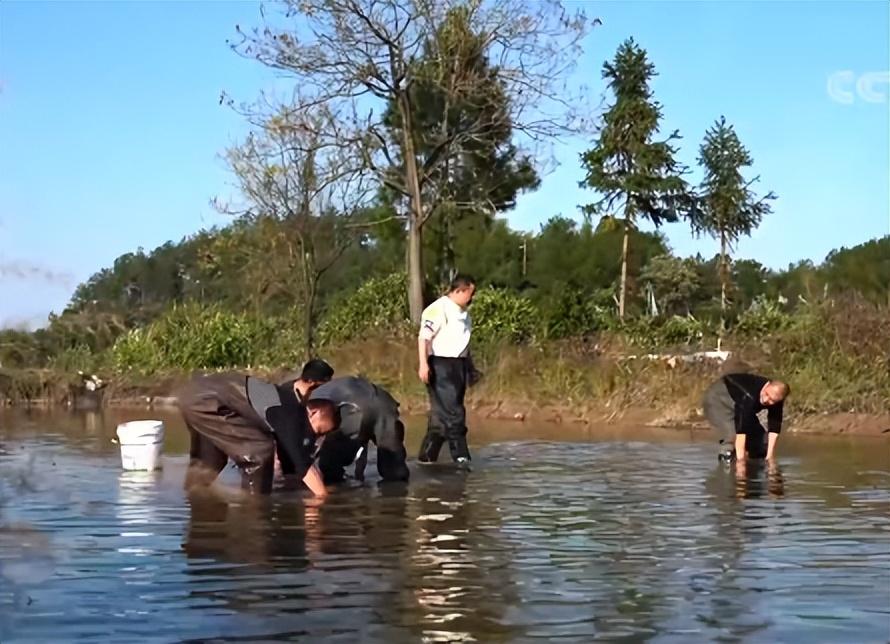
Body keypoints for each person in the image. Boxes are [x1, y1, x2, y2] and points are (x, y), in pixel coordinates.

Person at [175, 359, 338, 497]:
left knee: (210, 460)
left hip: (194, 393)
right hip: (208, 400)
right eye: (320, 431)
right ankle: (254, 511)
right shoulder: (288, 406)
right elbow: (300, 461)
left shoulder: (286, 392)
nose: (317, 437)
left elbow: (289, 457)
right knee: (259, 452)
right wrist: (322, 497)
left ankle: (194, 499)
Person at [417, 274, 479, 467]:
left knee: (441, 418)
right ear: (460, 290)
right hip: (440, 365)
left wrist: (470, 369)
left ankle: (426, 458)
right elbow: (424, 338)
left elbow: (463, 344)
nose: (472, 298)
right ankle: (461, 458)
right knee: (454, 414)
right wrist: (423, 364)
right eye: (471, 293)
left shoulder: (465, 314)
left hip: (458, 365)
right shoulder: (438, 309)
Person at [309, 376, 410, 483]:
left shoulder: (310, 401)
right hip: (385, 404)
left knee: (329, 466)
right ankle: (397, 492)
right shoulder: (329, 390)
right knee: (395, 469)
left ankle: (335, 493)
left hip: (359, 409)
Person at [702, 372, 790, 462]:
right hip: (719, 398)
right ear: (767, 386)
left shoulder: (776, 399)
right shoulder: (749, 395)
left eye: (772, 400)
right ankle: (727, 464)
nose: (766, 400)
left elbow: (774, 427)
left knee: (761, 440)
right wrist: (741, 464)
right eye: (767, 394)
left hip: (741, 404)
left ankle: (755, 466)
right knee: (732, 436)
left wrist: (770, 457)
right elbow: (741, 429)